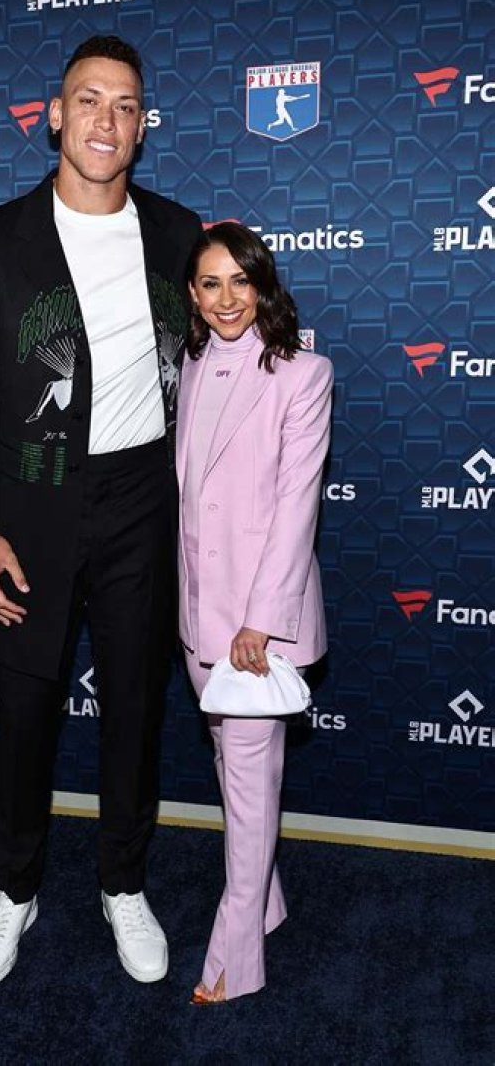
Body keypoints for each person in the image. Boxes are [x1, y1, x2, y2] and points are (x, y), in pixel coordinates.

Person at [0, 35, 200, 990]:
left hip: (142, 502)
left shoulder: (177, 233)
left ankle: (122, 882)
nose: (106, 120)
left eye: (125, 105)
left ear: (142, 126)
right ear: (55, 116)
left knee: (134, 708)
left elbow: (223, 349)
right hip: (31, 505)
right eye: (88, 99)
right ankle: (13, 889)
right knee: (24, 715)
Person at [177, 223, 333, 1003]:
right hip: (197, 614)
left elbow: (297, 507)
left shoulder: (303, 373)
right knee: (234, 772)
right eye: (211, 283)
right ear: (192, 294)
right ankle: (265, 902)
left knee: (246, 784)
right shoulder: (190, 362)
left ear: (263, 286)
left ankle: (235, 958)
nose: (227, 298)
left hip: (255, 626)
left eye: (242, 281)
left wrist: (259, 621)